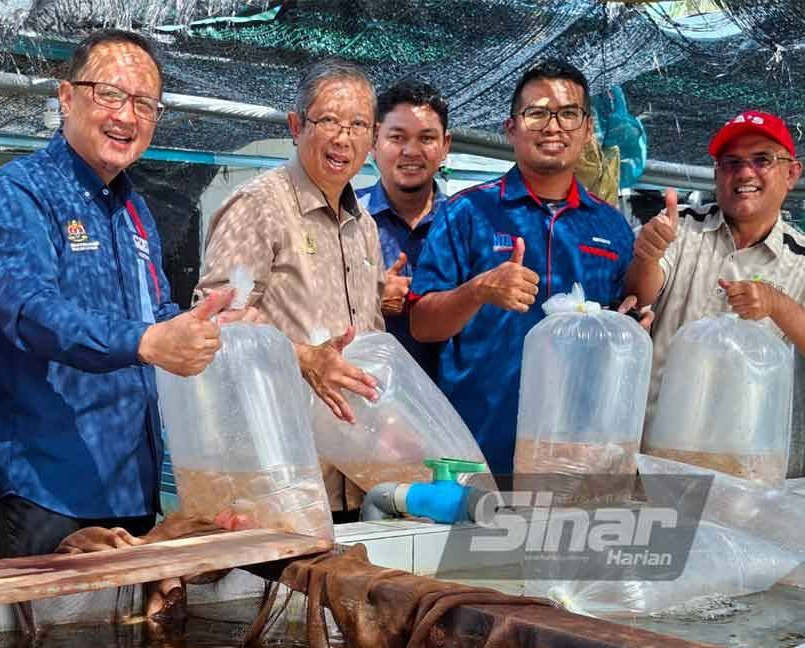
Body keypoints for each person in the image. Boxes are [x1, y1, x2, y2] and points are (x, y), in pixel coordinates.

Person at [0, 29, 234, 559]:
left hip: (129, 479)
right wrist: (149, 340)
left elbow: (154, 313)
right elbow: (29, 311)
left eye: (145, 104)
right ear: (66, 97)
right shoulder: (20, 190)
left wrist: (205, 328)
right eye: (109, 94)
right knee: (44, 639)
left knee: (133, 637)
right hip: (45, 485)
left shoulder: (134, 210)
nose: (127, 116)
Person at [409, 59, 642, 474]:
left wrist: (633, 323)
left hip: (577, 457)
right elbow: (422, 325)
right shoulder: (467, 212)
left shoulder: (610, 225)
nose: (553, 126)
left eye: (569, 114)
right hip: (477, 453)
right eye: (536, 113)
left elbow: (627, 322)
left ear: (588, 130)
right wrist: (478, 290)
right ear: (511, 129)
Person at [195, 60, 385, 516]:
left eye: (358, 124)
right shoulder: (258, 205)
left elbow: (371, 339)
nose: (343, 138)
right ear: (297, 126)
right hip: (279, 470)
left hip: (354, 472)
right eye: (329, 122)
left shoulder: (366, 228)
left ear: (373, 138)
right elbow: (217, 318)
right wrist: (302, 358)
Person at [624, 110, 805, 417]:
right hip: (654, 445)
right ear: (717, 174)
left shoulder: (800, 259)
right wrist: (647, 255)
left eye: (762, 160)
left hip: (742, 448)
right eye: (732, 163)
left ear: (791, 174)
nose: (746, 173)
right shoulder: (679, 226)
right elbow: (638, 298)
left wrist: (777, 303)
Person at [357, 79, 451, 379]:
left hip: (452, 406)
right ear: (373, 141)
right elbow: (305, 307)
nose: (411, 151)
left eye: (426, 138)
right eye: (397, 137)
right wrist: (369, 299)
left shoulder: (466, 221)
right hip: (366, 398)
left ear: (445, 145)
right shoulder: (345, 219)